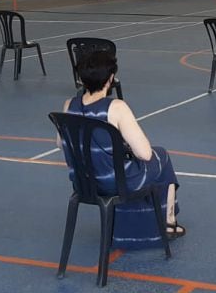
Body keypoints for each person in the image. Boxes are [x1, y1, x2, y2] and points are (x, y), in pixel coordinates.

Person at [60, 51, 184, 248]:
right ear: (110, 79)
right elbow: (144, 154)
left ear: (80, 78)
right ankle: (168, 222)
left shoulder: (69, 106)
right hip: (114, 184)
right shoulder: (116, 107)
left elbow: (61, 143)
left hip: (84, 183)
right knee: (162, 156)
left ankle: (134, 227)